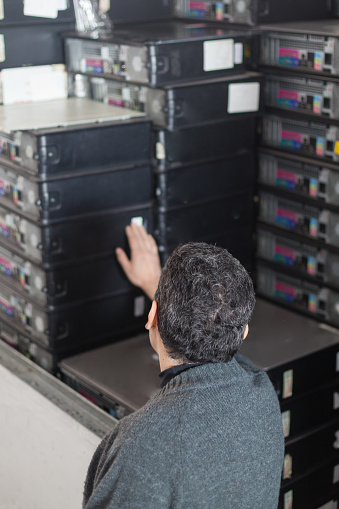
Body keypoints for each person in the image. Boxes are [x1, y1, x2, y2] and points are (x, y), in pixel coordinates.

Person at [83, 223, 284, 509]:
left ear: (152, 316)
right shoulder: (262, 394)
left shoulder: (140, 445)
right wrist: (153, 281)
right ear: (244, 333)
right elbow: (219, 344)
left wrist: (159, 291)